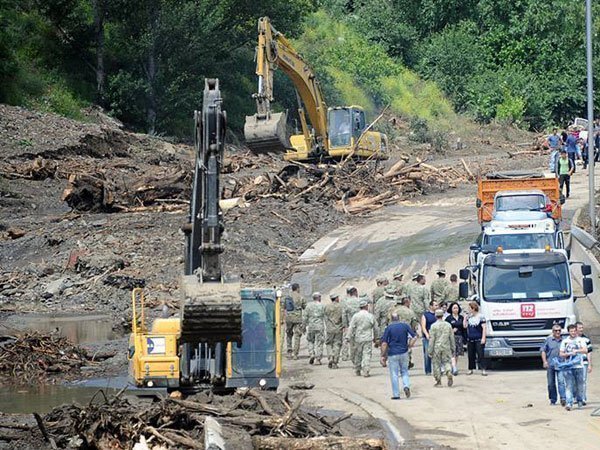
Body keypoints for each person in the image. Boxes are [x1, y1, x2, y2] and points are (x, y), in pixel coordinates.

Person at [380, 312, 417, 399]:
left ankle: (396, 394)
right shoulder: (405, 326)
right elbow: (414, 337)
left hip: (392, 353)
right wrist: (409, 345)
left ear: (391, 319)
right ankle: (406, 386)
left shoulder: (388, 328)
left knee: (394, 374)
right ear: (399, 318)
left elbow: (384, 343)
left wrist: (382, 355)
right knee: (404, 371)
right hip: (404, 352)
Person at [559, 324, 588, 410]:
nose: (573, 333)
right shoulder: (565, 341)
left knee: (580, 385)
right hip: (568, 367)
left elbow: (585, 350)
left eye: (574, 331)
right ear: (569, 332)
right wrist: (568, 354)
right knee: (569, 385)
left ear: (576, 331)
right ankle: (569, 403)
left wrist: (576, 350)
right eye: (571, 331)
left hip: (579, 366)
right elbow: (561, 353)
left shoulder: (581, 340)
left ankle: (579, 401)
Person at [348, 299, 375, 377]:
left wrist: (348, 336)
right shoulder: (370, 316)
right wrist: (377, 337)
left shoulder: (356, 316)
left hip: (358, 338)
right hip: (368, 338)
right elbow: (375, 327)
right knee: (366, 354)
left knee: (358, 354)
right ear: (366, 306)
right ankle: (366, 370)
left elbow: (351, 327)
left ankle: (357, 369)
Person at [428, 309, 455, 387]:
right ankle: (449, 371)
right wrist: (453, 348)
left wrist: (430, 350)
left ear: (435, 316)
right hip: (446, 346)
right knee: (447, 361)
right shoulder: (448, 325)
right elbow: (451, 338)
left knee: (436, 364)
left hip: (436, 347)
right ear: (442, 315)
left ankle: (438, 381)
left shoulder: (433, 326)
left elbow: (432, 339)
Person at [540, 324, 566, 406]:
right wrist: (544, 362)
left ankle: (563, 398)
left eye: (559, 330)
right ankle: (553, 399)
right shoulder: (548, 340)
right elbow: (543, 351)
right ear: (553, 331)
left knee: (561, 381)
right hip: (550, 364)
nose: (558, 332)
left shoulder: (564, 341)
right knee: (551, 383)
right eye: (556, 330)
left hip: (561, 364)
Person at [464, 301, 487, 376]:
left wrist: (483, 338)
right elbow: (465, 326)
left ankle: (483, 369)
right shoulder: (469, 317)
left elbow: (484, 327)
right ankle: (471, 369)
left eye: (469, 308)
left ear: (473, 308)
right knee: (470, 355)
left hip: (479, 338)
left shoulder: (481, 317)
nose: (468, 310)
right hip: (470, 339)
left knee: (480, 354)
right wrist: (465, 318)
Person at [284, 283, 306, 359]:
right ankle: (295, 354)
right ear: (297, 288)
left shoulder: (287, 297)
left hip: (289, 319)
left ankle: (289, 352)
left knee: (289, 335)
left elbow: (284, 307)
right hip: (297, 319)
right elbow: (304, 307)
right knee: (297, 336)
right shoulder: (301, 297)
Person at [303, 292, 325, 365]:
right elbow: (326, 316)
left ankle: (312, 354)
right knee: (319, 342)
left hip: (311, 326)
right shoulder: (322, 306)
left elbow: (305, 317)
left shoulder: (308, 306)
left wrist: (303, 326)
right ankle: (318, 359)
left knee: (310, 341)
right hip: (319, 326)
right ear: (318, 298)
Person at [445, 302, 465, 375]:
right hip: (451, 337)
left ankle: (454, 366)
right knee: (452, 352)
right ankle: (453, 367)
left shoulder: (461, 317)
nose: (456, 309)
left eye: (457, 308)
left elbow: (464, 327)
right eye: (454, 308)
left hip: (459, 337)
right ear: (451, 309)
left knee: (457, 353)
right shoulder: (448, 318)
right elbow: (446, 328)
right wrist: (451, 331)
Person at [325, 293, 344, 369]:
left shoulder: (327, 306)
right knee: (337, 344)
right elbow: (343, 317)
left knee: (329, 343)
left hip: (329, 328)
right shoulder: (341, 306)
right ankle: (335, 361)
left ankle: (330, 357)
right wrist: (344, 325)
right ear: (336, 298)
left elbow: (325, 316)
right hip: (338, 328)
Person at [576, 321, 593, 405]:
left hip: (584, 362)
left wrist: (590, 364)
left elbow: (589, 352)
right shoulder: (571, 339)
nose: (581, 329)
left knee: (583, 380)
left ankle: (582, 398)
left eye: (582, 328)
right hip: (574, 363)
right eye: (580, 328)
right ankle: (575, 397)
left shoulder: (586, 339)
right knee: (574, 381)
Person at [342, 286, 360, 361]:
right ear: (355, 292)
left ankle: (345, 355)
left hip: (350, 324)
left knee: (347, 340)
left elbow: (344, 314)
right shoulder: (359, 301)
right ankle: (357, 356)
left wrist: (345, 325)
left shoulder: (345, 302)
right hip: (359, 324)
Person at [420, 300, 439, 375]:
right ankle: (428, 370)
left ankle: (437, 369)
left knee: (437, 354)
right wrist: (426, 334)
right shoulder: (425, 315)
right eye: (435, 305)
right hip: (428, 337)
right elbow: (423, 326)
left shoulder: (438, 314)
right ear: (431, 306)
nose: (437, 307)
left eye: (437, 305)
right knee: (427, 354)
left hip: (437, 336)